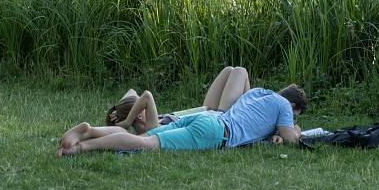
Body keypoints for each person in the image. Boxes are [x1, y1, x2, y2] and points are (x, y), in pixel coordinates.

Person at [56, 83, 307, 157]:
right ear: (293, 105)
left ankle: (89, 132)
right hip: (216, 133)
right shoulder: (284, 106)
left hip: (207, 118)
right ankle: (81, 147)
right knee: (146, 144)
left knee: (142, 137)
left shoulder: (257, 92)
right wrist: (294, 127)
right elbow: (291, 139)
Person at [105, 66, 251, 135]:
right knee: (240, 71)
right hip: (218, 117)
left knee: (228, 70)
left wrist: (118, 111)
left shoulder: (145, 118)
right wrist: (126, 121)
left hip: (206, 109)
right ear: (138, 115)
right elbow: (146, 96)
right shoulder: (151, 127)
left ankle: (251, 119)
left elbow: (132, 92)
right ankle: (251, 122)